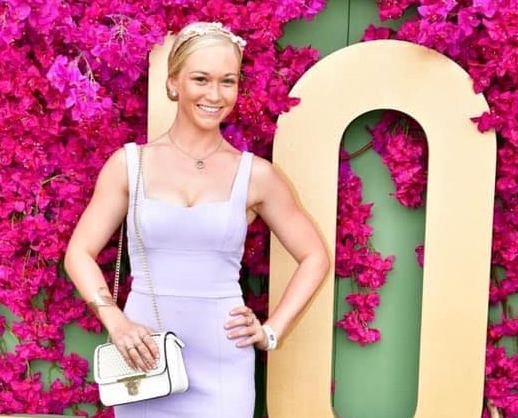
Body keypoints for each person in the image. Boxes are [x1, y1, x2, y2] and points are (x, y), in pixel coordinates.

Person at [64, 21, 330, 418]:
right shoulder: (129, 165)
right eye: (201, 79)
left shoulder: (254, 174)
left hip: (224, 364)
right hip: (145, 358)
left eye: (228, 81)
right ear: (173, 83)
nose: (215, 94)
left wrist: (271, 331)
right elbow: (79, 253)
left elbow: (315, 257)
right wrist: (116, 322)